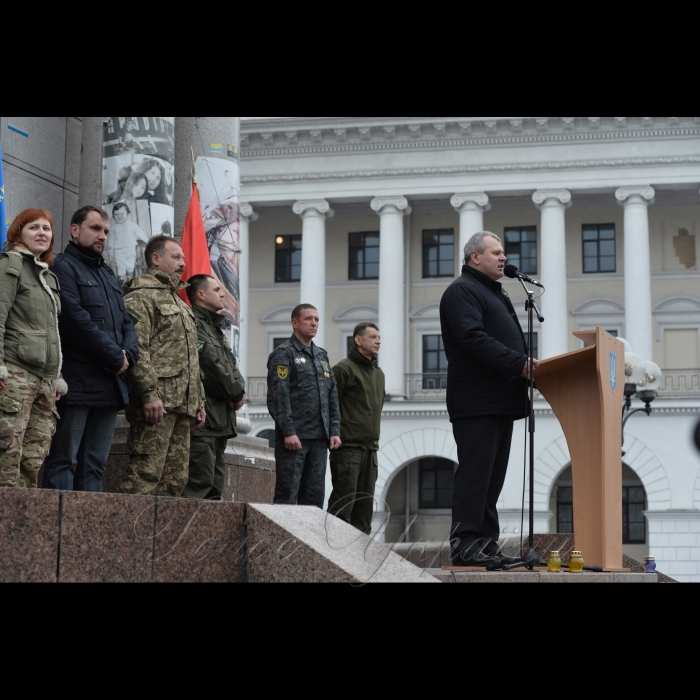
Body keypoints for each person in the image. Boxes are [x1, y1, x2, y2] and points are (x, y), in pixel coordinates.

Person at [440, 232, 539, 568]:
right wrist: (518, 363)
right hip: (476, 400)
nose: (504, 258)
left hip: (500, 399)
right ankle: (465, 544)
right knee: (475, 475)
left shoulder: (497, 294)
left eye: (503, 253)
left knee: (492, 479)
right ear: (474, 257)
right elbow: (472, 338)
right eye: (496, 252)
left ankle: (485, 542)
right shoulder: (461, 292)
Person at [42, 206, 138, 493]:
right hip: (77, 383)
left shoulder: (108, 274)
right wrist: (113, 356)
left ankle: (86, 536)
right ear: (75, 230)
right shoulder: (62, 267)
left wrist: (128, 355)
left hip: (109, 384)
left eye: (106, 231)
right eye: (96, 228)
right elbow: (74, 319)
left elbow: (126, 323)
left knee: (95, 465)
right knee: (64, 461)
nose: (102, 236)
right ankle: (57, 531)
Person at [119, 236, 206, 497]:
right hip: (157, 404)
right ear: (156, 259)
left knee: (174, 481)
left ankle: (160, 538)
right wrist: (149, 394)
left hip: (182, 405)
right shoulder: (140, 298)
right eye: (176, 257)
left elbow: (191, 357)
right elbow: (138, 350)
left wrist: (199, 401)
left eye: (183, 258)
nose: (183, 263)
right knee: (145, 477)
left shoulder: (179, 301)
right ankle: (128, 536)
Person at [0, 209, 68, 489]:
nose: (42, 232)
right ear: (18, 233)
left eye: (47, 228)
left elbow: (53, 334)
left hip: (45, 383)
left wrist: (56, 380)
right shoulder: (10, 265)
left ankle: (19, 530)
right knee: (6, 463)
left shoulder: (48, 276)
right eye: (34, 227)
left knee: (31, 464)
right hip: (15, 376)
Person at [267, 304, 341, 508]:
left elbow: (331, 395)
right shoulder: (284, 354)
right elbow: (278, 397)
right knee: (287, 496)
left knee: (315, 499)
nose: (314, 323)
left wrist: (334, 430)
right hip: (295, 439)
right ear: (295, 323)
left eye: (316, 319)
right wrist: (288, 432)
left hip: (319, 438)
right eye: (308, 319)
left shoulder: (321, 356)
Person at [182, 275, 246, 501]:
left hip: (220, 418)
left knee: (214, 490)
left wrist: (240, 390)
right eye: (217, 289)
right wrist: (235, 392)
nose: (222, 293)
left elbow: (230, 363)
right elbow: (210, 365)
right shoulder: (193, 322)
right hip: (204, 418)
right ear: (200, 294)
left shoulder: (214, 327)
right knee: (199, 487)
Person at [329, 323, 386, 535]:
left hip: (370, 450)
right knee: (343, 506)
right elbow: (330, 406)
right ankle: (333, 554)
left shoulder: (378, 374)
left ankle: (359, 562)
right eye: (373, 336)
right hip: (347, 449)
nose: (378, 340)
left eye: (379, 337)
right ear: (358, 340)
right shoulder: (343, 369)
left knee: (364, 509)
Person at [104, 203, 149, 283]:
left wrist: (147, 241)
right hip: (118, 251)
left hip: (130, 249)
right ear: (113, 216)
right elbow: (111, 240)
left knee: (130, 265)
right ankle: (122, 280)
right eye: (116, 214)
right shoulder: (114, 228)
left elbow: (140, 233)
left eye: (122, 214)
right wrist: (110, 251)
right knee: (121, 266)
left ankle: (129, 276)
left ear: (128, 214)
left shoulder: (131, 225)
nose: (119, 216)